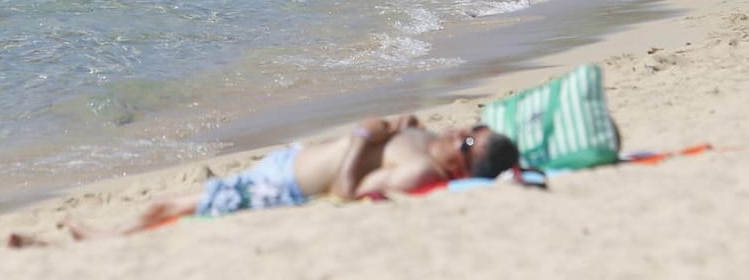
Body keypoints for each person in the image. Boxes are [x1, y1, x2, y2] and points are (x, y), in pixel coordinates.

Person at [46, 114, 518, 236]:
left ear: (462, 166)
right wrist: (387, 128)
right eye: (475, 127)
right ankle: (106, 234)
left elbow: (350, 189)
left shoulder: (419, 171)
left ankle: (105, 237)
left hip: (285, 186)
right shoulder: (428, 142)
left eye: (469, 140)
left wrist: (362, 136)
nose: (463, 130)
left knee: (170, 206)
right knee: (180, 200)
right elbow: (398, 128)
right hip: (288, 163)